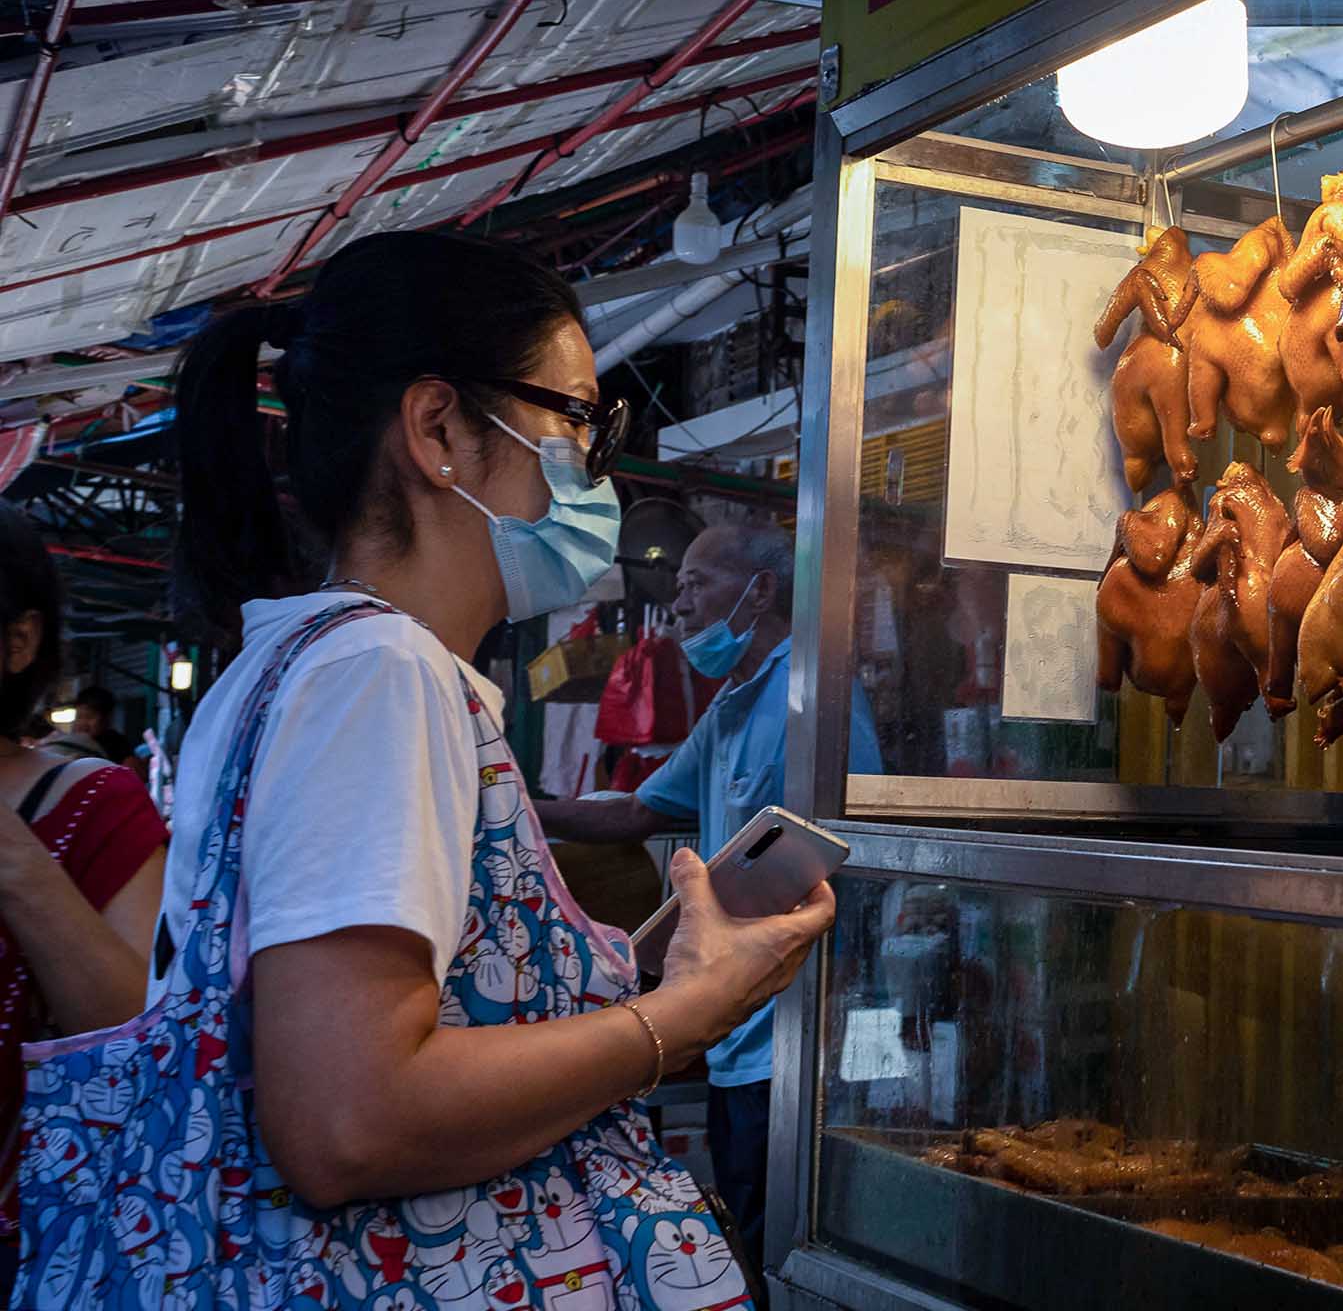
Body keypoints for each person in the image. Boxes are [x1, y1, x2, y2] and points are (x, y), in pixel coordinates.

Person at [14, 231, 835, 1304]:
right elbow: (349, 1120)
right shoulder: (380, 675)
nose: (596, 467)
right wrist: (680, 1017)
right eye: (579, 420)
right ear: (438, 427)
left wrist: (622, 972)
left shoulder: (301, 665)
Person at [540, 517, 883, 1268]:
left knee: (779, 1250)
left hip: (796, 1044)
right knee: (746, 1237)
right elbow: (634, 812)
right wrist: (509, 805)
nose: (681, 605)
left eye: (697, 584)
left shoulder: (816, 701)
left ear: (759, 592)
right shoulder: (732, 705)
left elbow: (860, 869)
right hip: (732, 1028)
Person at [0, 503, 167, 1298]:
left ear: (18, 642)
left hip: (27, 1249)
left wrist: (16, 863)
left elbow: (139, 1043)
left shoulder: (92, 806)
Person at [40, 684, 132, 765]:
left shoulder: (117, 743)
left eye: (89, 717)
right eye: (79, 717)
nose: (82, 723)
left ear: (107, 718)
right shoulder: (65, 741)